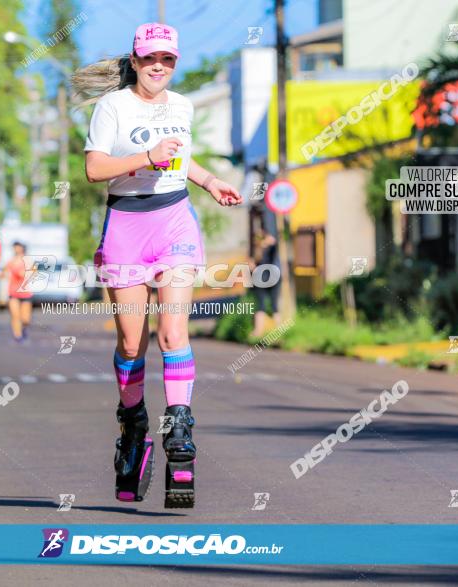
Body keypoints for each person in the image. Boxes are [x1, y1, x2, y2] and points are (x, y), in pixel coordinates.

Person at [75, 22, 242, 507]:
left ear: (175, 61)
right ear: (135, 59)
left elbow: (182, 158)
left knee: (173, 333)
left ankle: (179, 426)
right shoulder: (113, 107)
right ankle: (133, 425)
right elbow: (93, 169)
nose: (159, 67)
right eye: (151, 59)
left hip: (174, 221)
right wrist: (146, 156)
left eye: (167, 59)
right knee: (132, 341)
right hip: (126, 226)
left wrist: (210, 182)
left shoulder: (183, 106)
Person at [248, 202, 281, 338]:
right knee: (269, 305)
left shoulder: (258, 246)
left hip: (265, 275)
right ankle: (269, 332)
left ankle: (262, 332)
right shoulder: (265, 243)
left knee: (266, 305)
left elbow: (250, 264)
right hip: (267, 275)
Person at [5, 241, 33, 343]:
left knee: (25, 318)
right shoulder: (11, 261)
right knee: (15, 315)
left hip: (25, 293)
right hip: (13, 292)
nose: (16, 249)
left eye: (18, 247)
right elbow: (5, 274)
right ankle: (17, 336)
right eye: (15, 247)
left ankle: (24, 329)